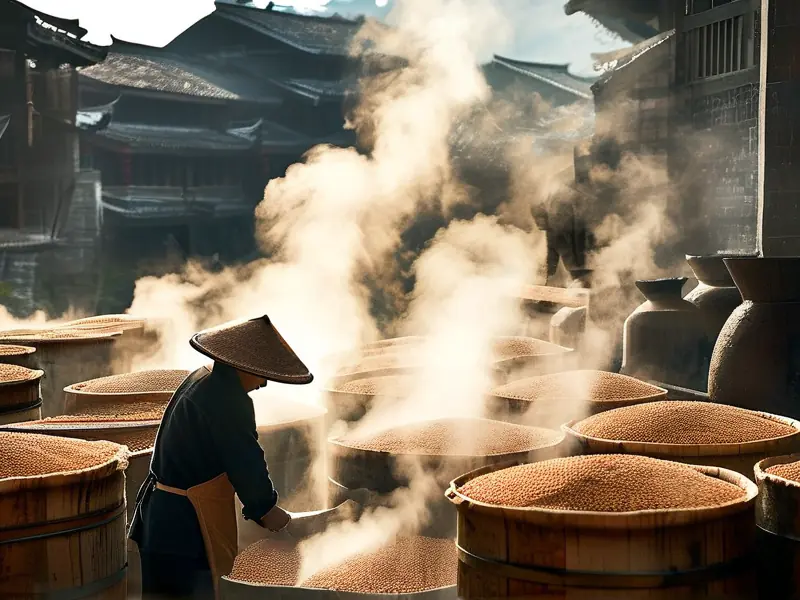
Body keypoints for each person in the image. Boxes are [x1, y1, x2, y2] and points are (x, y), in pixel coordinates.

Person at [129, 315, 314, 600]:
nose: (264, 383)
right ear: (243, 365)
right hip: (184, 524)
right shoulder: (227, 398)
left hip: (159, 515)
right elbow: (245, 461)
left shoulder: (202, 376)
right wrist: (273, 516)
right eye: (262, 373)